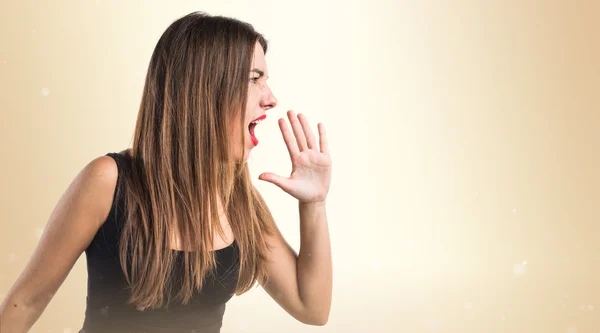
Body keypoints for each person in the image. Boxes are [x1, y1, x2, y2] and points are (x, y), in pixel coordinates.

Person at [0, 11, 332, 333]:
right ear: (204, 89)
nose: (271, 99)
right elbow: (26, 302)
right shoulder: (107, 181)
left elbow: (312, 308)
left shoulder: (239, 198)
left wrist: (314, 204)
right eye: (254, 79)